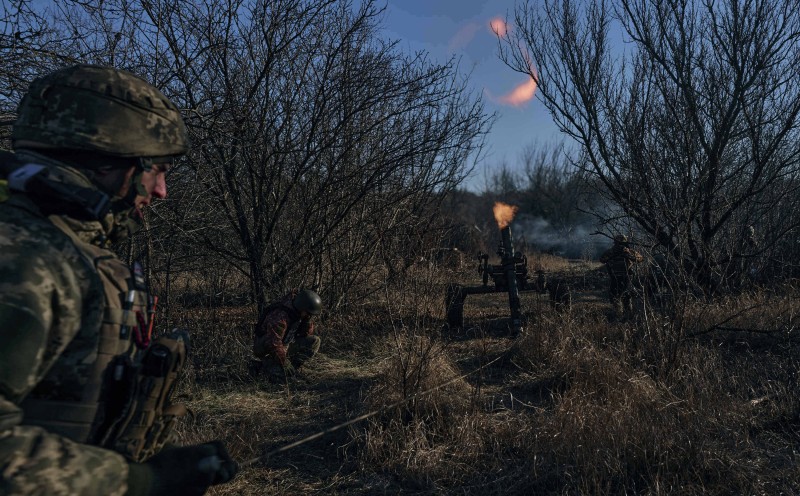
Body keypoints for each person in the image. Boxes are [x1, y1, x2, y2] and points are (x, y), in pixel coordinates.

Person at [0, 65, 237, 495]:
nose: (161, 191)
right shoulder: (24, 260)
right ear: (108, 163)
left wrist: (160, 465)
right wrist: (136, 482)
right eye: (156, 169)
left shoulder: (63, 251)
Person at [253, 289, 323, 382]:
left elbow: (303, 335)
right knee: (281, 379)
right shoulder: (280, 316)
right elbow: (273, 343)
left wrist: (306, 322)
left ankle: (291, 369)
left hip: (284, 345)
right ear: (302, 307)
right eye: (308, 313)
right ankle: (260, 367)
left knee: (314, 341)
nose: (309, 315)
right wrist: (284, 362)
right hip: (267, 349)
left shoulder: (298, 312)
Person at [599, 234, 643, 320]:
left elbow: (640, 258)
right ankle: (618, 315)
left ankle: (627, 316)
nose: (619, 246)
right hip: (615, 277)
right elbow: (602, 259)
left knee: (625, 296)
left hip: (626, 277)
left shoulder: (628, 251)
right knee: (615, 297)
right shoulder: (611, 251)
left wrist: (628, 255)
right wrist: (613, 255)